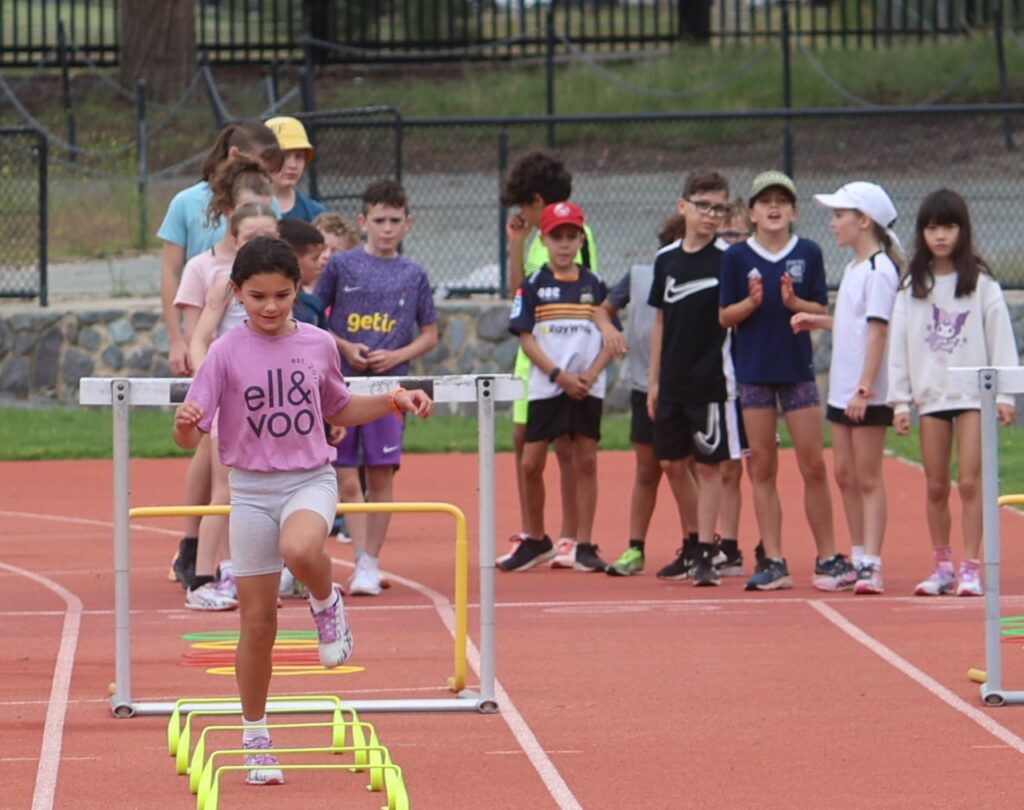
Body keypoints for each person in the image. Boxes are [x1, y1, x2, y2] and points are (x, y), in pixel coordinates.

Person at [172, 236, 432, 787]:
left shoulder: (317, 344)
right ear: (237, 293)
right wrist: (182, 424)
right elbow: (186, 435)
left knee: (300, 548)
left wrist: (391, 398)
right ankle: (256, 736)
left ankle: (325, 599)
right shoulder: (224, 353)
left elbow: (338, 406)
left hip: (308, 479)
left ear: (298, 291)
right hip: (249, 490)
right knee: (257, 625)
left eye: (283, 296)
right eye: (258, 296)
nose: (270, 307)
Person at [158, 120, 283, 587]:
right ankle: (204, 571)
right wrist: (201, 373)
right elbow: (201, 331)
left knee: (263, 483)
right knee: (223, 482)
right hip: (229, 389)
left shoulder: (273, 277)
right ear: (232, 225)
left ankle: (251, 567)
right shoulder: (211, 273)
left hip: (270, 392)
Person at [719, 171, 855, 592]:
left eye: (782, 200)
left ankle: (828, 555)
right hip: (754, 374)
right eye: (765, 201)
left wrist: (795, 302)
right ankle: (773, 559)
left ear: (794, 211)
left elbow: (819, 305)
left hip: (797, 373)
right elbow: (725, 316)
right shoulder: (736, 257)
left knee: (813, 464)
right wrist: (753, 302)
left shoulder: (809, 253)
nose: (773, 207)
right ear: (752, 212)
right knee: (762, 466)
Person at [888, 188, 1019, 597]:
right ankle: (941, 565)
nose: (940, 235)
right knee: (935, 484)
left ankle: (971, 567)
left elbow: (1001, 339)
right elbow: (899, 344)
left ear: (962, 230)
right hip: (932, 398)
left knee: (971, 482)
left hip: (972, 396)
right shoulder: (913, 285)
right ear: (921, 233)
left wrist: (1004, 395)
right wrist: (899, 400)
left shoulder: (981, 283)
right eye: (931, 227)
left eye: (948, 226)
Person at [314, 179, 439, 596]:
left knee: (381, 473)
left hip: (391, 386)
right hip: (343, 382)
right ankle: (353, 558)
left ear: (408, 223)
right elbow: (318, 321)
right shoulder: (341, 265)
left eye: (395, 221)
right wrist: (346, 345)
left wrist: (398, 354)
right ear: (363, 221)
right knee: (345, 474)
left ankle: (370, 562)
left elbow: (430, 334)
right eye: (379, 220)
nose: (387, 228)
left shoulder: (414, 273)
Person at [499, 150, 622, 569]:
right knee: (525, 444)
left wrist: (585, 366)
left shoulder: (576, 238)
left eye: (523, 205)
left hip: (573, 357)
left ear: (537, 200)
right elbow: (520, 293)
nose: (521, 213)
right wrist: (514, 246)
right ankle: (536, 534)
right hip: (535, 357)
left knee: (572, 449)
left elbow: (585, 297)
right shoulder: (534, 239)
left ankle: (573, 536)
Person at [793, 182, 902, 595]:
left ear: (864, 220)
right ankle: (857, 559)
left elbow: (877, 334)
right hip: (843, 390)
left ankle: (872, 563)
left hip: (864, 391)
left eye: (839, 215)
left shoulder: (880, 270)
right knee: (844, 474)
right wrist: (817, 321)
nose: (832, 223)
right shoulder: (857, 269)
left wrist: (864, 389)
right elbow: (854, 323)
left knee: (868, 476)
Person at [644, 170, 744, 586]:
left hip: (712, 381)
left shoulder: (729, 259)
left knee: (708, 467)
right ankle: (691, 543)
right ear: (683, 205)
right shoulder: (665, 259)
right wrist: (653, 381)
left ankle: (706, 550)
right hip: (672, 380)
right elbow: (661, 323)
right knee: (670, 462)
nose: (711, 214)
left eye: (719, 208)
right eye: (703, 205)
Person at [183, 201, 280, 610]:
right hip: (233, 400)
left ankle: (256, 576)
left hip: (271, 402)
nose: (261, 245)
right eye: (253, 239)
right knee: (225, 491)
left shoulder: (281, 285)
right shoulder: (226, 283)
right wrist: (214, 385)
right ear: (235, 240)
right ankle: (203, 577)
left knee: (270, 490)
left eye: (269, 238)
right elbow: (199, 339)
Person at [600, 212, 697, 577]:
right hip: (646, 384)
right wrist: (608, 329)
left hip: (690, 388)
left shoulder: (705, 274)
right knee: (648, 469)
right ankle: (635, 549)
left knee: (689, 467)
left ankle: (699, 544)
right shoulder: (642, 275)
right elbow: (604, 310)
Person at [264, 116, 326, 221]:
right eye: (283, 156)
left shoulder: (315, 212)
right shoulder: (245, 209)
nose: (293, 165)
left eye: (299, 156)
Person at [278, 218, 329, 329]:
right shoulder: (267, 308)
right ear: (292, 259)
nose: (320, 264)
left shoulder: (313, 304)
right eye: (315, 258)